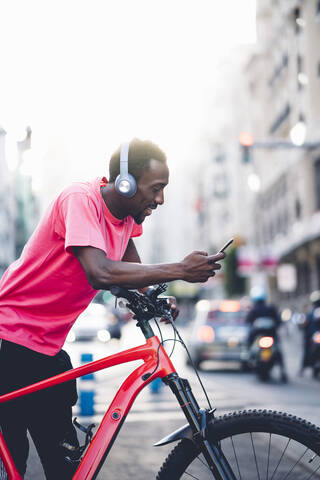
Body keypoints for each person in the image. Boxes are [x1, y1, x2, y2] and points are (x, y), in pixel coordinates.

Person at [0, 138, 225, 479]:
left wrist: (152, 295)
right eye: (156, 188)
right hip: (9, 341)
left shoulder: (125, 220)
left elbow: (127, 253)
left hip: (46, 348)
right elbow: (100, 270)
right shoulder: (80, 200)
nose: (161, 199)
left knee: (65, 468)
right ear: (126, 183)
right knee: (13, 460)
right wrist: (180, 269)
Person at [246, 286, 288, 382]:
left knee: (277, 349)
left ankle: (283, 372)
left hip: (266, 336)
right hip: (267, 336)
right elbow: (278, 321)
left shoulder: (254, 310)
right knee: (278, 351)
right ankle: (283, 372)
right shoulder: (270, 308)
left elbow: (247, 321)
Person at [300, 290, 320, 375]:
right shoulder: (310, 313)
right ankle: (304, 366)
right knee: (306, 347)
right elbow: (305, 324)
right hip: (313, 335)